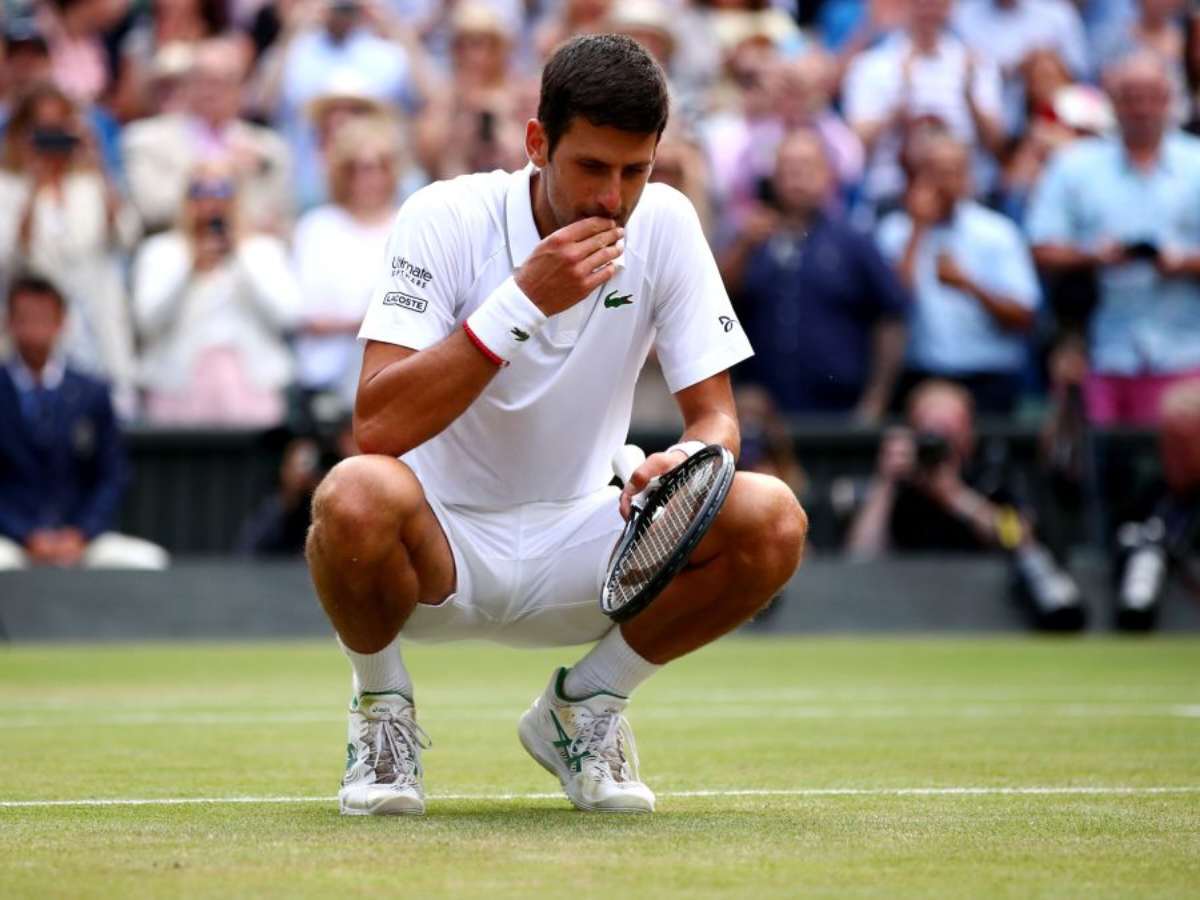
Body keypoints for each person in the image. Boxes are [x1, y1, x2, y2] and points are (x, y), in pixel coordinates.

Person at [306, 34, 807, 817]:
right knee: (352, 494)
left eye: (634, 171)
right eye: (592, 167)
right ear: (537, 143)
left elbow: (715, 418)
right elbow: (376, 424)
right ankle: (381, 716)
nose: (613, 197)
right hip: (436, 556)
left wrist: (685, 463)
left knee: (771, 517)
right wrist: (522, 302)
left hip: (591, 543)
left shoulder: (668, 224)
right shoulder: (443, 215)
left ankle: (587, 707)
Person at [1027, 52, 1200, 426]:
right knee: (1099, 472)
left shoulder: (1196, 163)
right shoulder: (1074, 165)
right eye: (1131, 97)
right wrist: (1094, 257)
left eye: (1151, 96)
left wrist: (1183, 262)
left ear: (1169, 99)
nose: (1141, 108)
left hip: (1187, 351)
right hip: (1099, 351)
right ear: (1113, 102)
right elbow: (1041, 247)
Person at [844, 378, 1084, 630]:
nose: (938, 444)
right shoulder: (899, 484)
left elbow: (1020, 537)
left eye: (948, 432)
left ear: (969, 434)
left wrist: (954, 495)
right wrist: (885, 483)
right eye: (929, 432)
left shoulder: (991, 478)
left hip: (988, 613)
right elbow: (860, 557)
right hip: (901, 614)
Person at [721, 129, 909, 421]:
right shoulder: (749, 238)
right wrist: (743, 247)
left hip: (840, 413)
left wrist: (875, 401)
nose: (797, 177)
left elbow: (892, 317)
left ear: (829, 175)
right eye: (788, 169)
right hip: (763, 414)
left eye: (807, 168)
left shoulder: (853, 241)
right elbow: (715, 302)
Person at [0, 274, 168, 571]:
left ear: (62, 322)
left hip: (80, 537)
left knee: (147, 563)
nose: (35, 327)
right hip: (11, 537)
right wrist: (25, 534)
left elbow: (112, 475)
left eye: (43, 317)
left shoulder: (91, 392)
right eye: (25, 317)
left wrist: (81, 532)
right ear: (8, 323)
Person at [0, 82, 139, 418]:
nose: (50, 139)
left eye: (58, 128)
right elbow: (10, 257)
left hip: (95, 320)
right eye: (40, 129)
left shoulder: (91, 184)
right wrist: (33, 186)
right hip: (33, 327)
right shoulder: (7, 186)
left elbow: (125, 237)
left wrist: (99, 164)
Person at [878, 133, 1038, 415]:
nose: (943, 183)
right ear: (916, 177)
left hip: (987, 375)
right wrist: (917, 231)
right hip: (919, 375)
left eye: (952, 172)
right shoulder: (895, 232)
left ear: (968, 178)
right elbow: (891, 306)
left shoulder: (997, 232)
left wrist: (970, 285)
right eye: (933, 172)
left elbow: (1024, 315)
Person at [132, 160, 301, 426]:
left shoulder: (263, 250)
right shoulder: (161, 252)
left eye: (222, 191)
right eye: (199, 191)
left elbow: (288, 316)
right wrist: (191, 269)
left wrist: (238, 256)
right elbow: (147, 323)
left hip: (252, 388)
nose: (211, 203)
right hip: (177, 390)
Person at [841, 0, 1005, 218]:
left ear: (950, 7)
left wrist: (969, 97)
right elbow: (855, 144)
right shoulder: (871, 65)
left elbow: (997, 145)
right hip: (892, 198)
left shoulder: (975, 63)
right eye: (920, 3)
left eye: (936, 3)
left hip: (966, 198)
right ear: (904, 6)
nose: (928, 10)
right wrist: (898, 104)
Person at [122, 36, 293, 235]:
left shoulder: (269, 148)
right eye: (203, 80)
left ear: (241, 88)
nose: (211, 91)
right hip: (175, 253)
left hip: (247, 255)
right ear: (187, 85)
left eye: (223, 81)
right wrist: (219, 172)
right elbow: (152, 209)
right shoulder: (145, 140)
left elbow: (281, 222)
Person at [293, 114, 402, 412]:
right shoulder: (316, 228)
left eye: (380, 166)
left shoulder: (409, 224)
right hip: (323, 378)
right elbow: (306, 312)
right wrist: (367, 322)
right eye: (358, 169)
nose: (371, 179)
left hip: (393, 379)